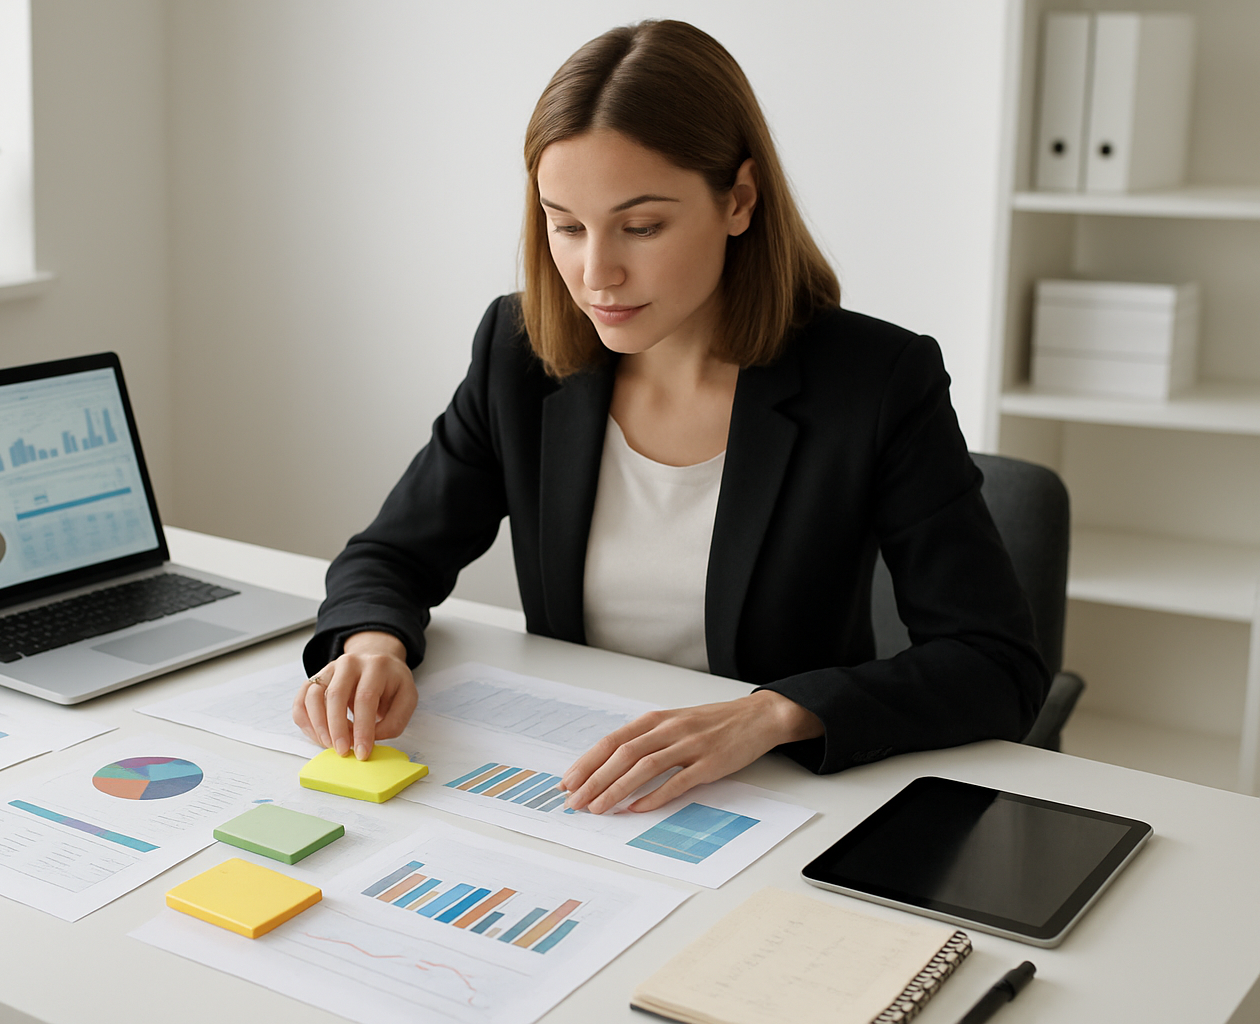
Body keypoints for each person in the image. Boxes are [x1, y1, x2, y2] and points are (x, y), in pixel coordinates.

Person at [293, 19, 1047, 816]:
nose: (596, 274)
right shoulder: (518, 353)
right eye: (566, 225)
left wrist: (772, 713)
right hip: (573, 784)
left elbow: (995, 663)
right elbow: (390, 556)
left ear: (739, 200)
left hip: (775, 796)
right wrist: (371, 644)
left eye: (641, 227)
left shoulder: (877, 380)